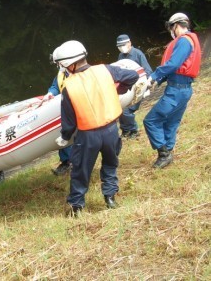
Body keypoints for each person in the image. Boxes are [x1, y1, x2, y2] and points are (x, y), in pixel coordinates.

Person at [53, 41, 139, 217]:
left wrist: (64, 137)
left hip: (88, 136)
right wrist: (119, 90)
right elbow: (132, 76)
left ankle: (77, 207)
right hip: (111, 131)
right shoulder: (105, 70)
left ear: (70, 64)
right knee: (110, 163)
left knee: (81, 170)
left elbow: (69, 121)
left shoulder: (69, 87)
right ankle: (110, 198)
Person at [143, 13, 201, 169]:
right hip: (184, 89)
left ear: (176, 26)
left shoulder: (183, 41)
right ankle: (168, 150)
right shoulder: (191, 39)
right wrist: (158, 81)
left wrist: (154, 76)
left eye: (171, 27)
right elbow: (176, 69)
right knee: (171, 122)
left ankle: (164, 154)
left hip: (176, 90)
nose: (171, 31)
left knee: (151, 120)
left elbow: (174, 64)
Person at [116, 34, 154, 139]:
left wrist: (146, 86)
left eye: (123, 45)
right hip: (127, 87)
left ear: (129, 43)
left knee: (127, 110)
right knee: (120, 107)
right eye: (119, 46)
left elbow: (148, 71)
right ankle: (125, 131)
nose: (121, 47)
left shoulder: (137, 54)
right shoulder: (121, 56)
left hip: (138, 87)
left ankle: (133, 131)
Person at [42, 58, 73, 176]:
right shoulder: (61, 73)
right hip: (64, 107)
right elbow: (55, 86)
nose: (58, 65)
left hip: (75, 106)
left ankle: (74, 161)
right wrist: (50, 93)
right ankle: (66, 161)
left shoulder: (77, 73)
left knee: (73, 134)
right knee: (63, 133)